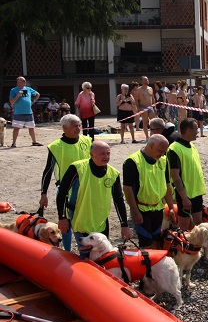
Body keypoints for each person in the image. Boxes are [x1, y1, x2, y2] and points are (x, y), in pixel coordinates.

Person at [56, 141, 133, 257]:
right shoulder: (77, 168)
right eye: (102, 154)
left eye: (108, 153)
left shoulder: (113, 174)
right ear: (92, 154)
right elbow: (62, 192)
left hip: (101, 223)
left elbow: (118, 200)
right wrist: (62, 217)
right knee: (85, 257)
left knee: (103, 257)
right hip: (81, 220)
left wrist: (124, 225)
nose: (106, 157)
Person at [39, 114, 92, 251]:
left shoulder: (88, 141)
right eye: (75, 126)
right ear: (64, 128)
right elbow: (48, 171)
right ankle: (67, 251)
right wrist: (44, 194)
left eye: (79, 125)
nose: (78, 128)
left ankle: (86, 251)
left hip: (86, 188)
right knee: (66, 222)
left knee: (85, 220)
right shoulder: (56, 147)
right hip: (66, 191)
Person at [122, 135, 174, 248]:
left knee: (156, 240)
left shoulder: (163, 160)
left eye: (164, 151)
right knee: (146, 243)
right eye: (160, 151)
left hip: (158, 208)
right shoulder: (132, 161)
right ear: (151, 146)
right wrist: (135, 212)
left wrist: (171, 207)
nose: (162, 154)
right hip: (142, 209)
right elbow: (127, 189)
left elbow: (167, 184)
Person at [168, 118, 206, 231]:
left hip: (196, 192)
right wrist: (184, 198)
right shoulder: (174, 149)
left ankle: (196, 243)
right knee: (184, 226)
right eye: (196, 129)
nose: (198, 131)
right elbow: (175, 176)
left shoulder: (191, 146)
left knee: (199, 224)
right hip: (186, 194)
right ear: (189, 130)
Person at [9, 76, 42, 147]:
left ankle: (34, 142)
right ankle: (14, 143)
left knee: (31, 127)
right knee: (16, 128)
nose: (25, 82)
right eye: (23, 81)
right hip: (19, 112)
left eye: (25, 81)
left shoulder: (28, 89)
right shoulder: (13, 90)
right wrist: (18, 95)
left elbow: (37, 94)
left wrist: (33, 101)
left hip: (29, 112)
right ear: (18, 82)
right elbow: (11, 101)